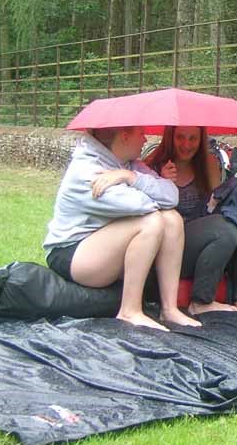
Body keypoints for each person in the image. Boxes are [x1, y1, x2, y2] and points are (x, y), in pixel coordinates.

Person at [43, 125, 196, 332]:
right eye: (140, 133)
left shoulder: (129, 165)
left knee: (172, 218)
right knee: (151, 221)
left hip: (105, 245)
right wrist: (145, 184)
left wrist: (130, 177)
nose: (145, 139)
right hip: (72, 253)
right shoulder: (88, 171)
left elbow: (171, 196)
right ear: (125, 136)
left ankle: (169, 309)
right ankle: (129, 310)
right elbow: (139, 205)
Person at [144, 126, 237, 314]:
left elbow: (216, 203)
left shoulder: (208, 163)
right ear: (170, 138)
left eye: (193, 138)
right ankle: (201, 302)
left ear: (201, 140)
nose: (186, 145)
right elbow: (147, 215)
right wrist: (161, 183)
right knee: (224, 230)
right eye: (180, 137)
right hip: (170, 248)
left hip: (203, 238)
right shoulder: (153, 165)